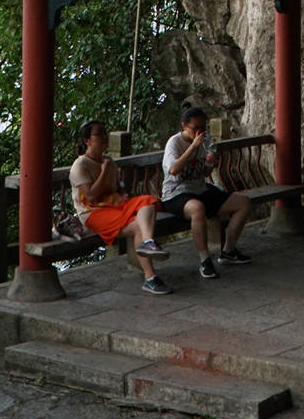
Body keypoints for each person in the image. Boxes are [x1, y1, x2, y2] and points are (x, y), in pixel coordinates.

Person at [69, 120, 172, 295]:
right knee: (140, 223)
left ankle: (148, 245)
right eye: (99, 134)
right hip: (93, 213)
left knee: (148, 201)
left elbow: (118, 186)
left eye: (104, 133)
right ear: (87, 140)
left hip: (116, 205)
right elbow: (91, 196)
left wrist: (122, 191)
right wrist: (104, 170)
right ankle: (150, 276)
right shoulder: (80, 166)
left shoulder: (108, 160)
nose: (104, 137)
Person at [160, 104, 251, 279]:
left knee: (243, 203)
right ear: (184, 126)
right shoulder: (174, 142)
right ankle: (205, 260)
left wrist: (211, 161)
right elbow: (173, 170)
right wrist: (193, 147)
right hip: (175, 193)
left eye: (203, 127)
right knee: (197, 209)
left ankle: (228, 251)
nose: (200, 132)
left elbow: (206, 172)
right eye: (195, 128)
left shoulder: (205, 142)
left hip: (199, 189)